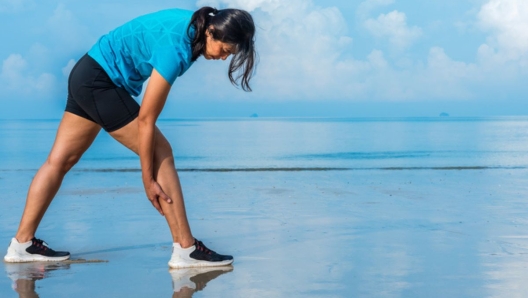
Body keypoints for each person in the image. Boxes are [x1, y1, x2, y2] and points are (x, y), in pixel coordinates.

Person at [4, 6, 257, 268]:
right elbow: (147, 119)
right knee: (161, 152)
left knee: (59, 161)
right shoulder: (177, 46)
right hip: (100, 82)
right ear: (212, 32)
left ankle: (21, 244)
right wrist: (147, 179)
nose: (224, 57)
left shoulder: (194, 25)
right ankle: (186, 248)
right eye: (225, 50)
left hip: (87, 73)